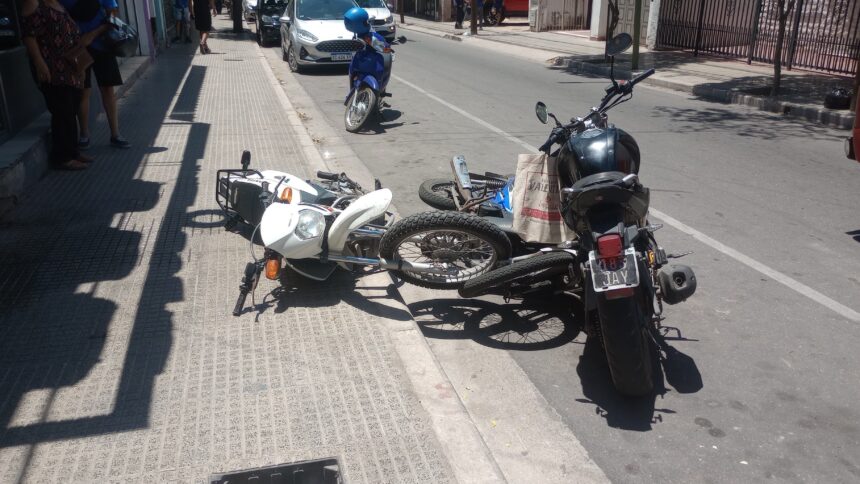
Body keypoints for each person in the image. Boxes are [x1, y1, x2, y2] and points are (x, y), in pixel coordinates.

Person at [21, 0, 108, 170]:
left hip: (69, 69)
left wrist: (80, 67)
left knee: (71, 109)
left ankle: (73, 152)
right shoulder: (34, 3)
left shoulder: (58, 4)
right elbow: (29, 36)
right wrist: (40, 63)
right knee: (62, 111)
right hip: (52, 68)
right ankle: (63, 157)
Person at [61, 0, 131, 149]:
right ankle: (84, 135)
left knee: (107, 89)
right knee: (83, 90)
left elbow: (112, 15)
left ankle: (115, 134)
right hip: (78, 47)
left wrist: (92, 35)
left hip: (103, 44)